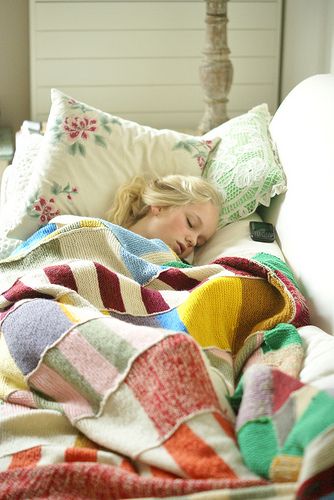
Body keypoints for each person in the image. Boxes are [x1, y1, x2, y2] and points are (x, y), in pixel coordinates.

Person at [105, 174, 221, 259]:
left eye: (199, 243)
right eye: (191, 223)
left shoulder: (181, 275)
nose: (193, 241)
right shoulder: (100, 235)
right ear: (160, 205)